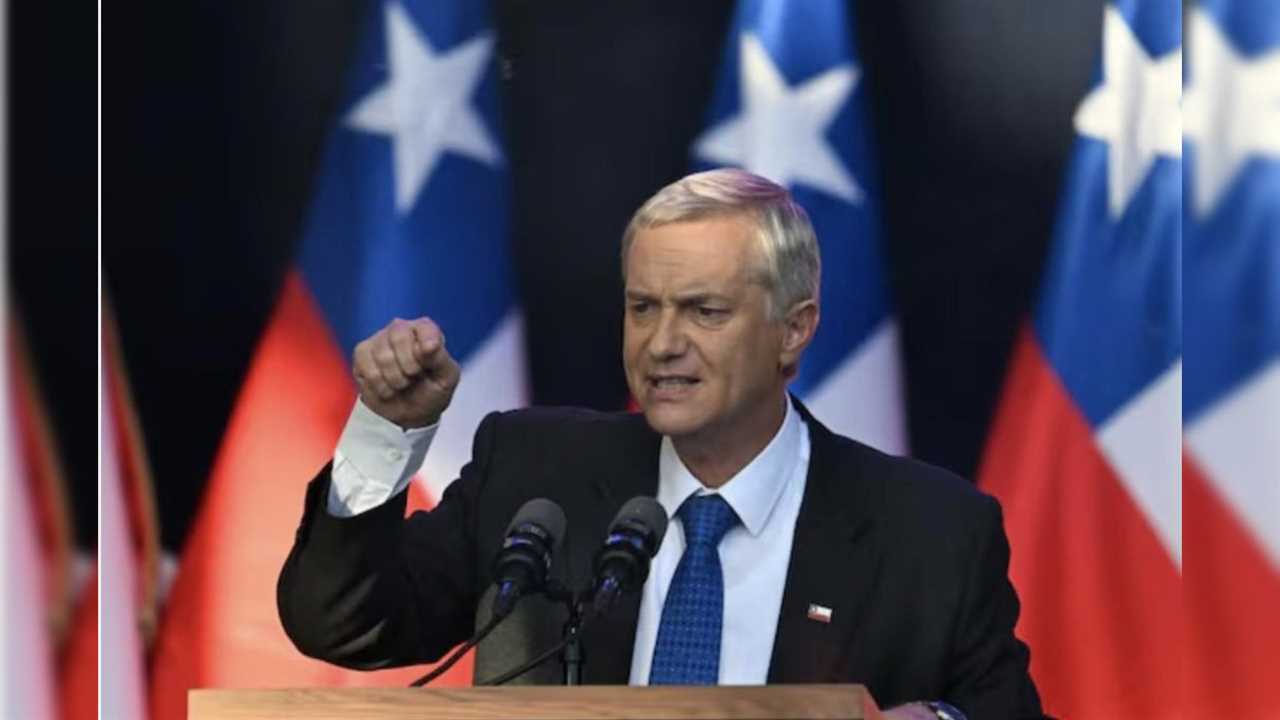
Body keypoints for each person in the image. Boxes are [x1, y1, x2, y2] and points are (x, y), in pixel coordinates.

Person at [278, 169, 1048, 720]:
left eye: (704, 312)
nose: (661, 344)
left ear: (795, 330)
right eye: (643, 308)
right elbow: (343, 623)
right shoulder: (533, 475)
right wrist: (387, 428)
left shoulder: (931, 530)